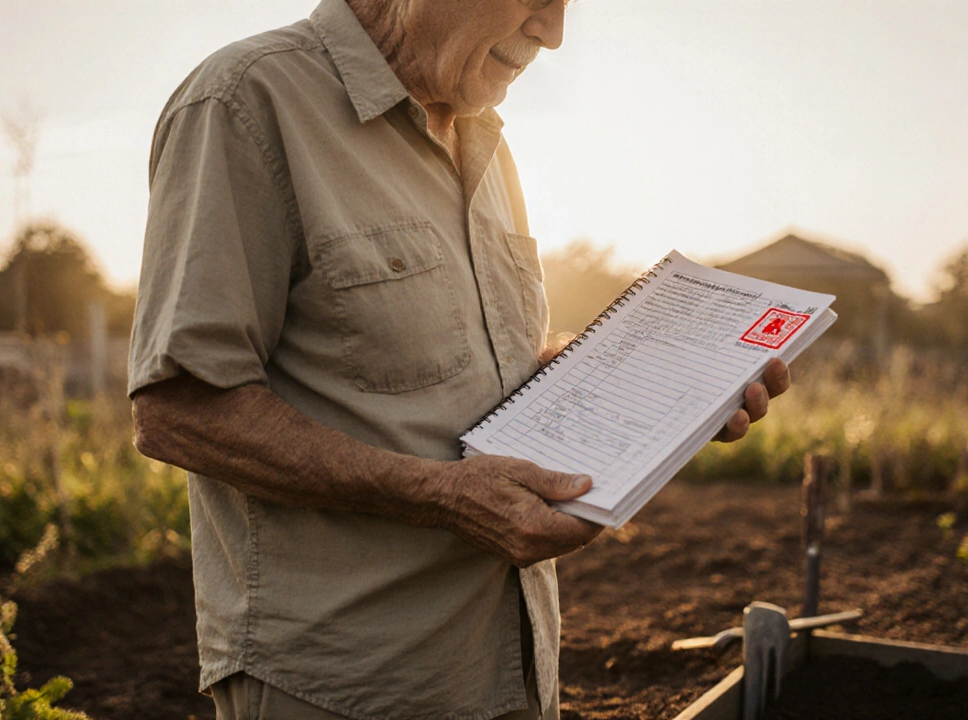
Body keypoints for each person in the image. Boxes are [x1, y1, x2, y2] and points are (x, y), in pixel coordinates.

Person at [127, 0, 791, 718]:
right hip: (345, 684)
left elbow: (476, 371)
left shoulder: (485, 140)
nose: (554, 32)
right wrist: (440, 495)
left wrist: (648, 379)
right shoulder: (246, 102)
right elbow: (181, 409)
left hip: (509, 669)